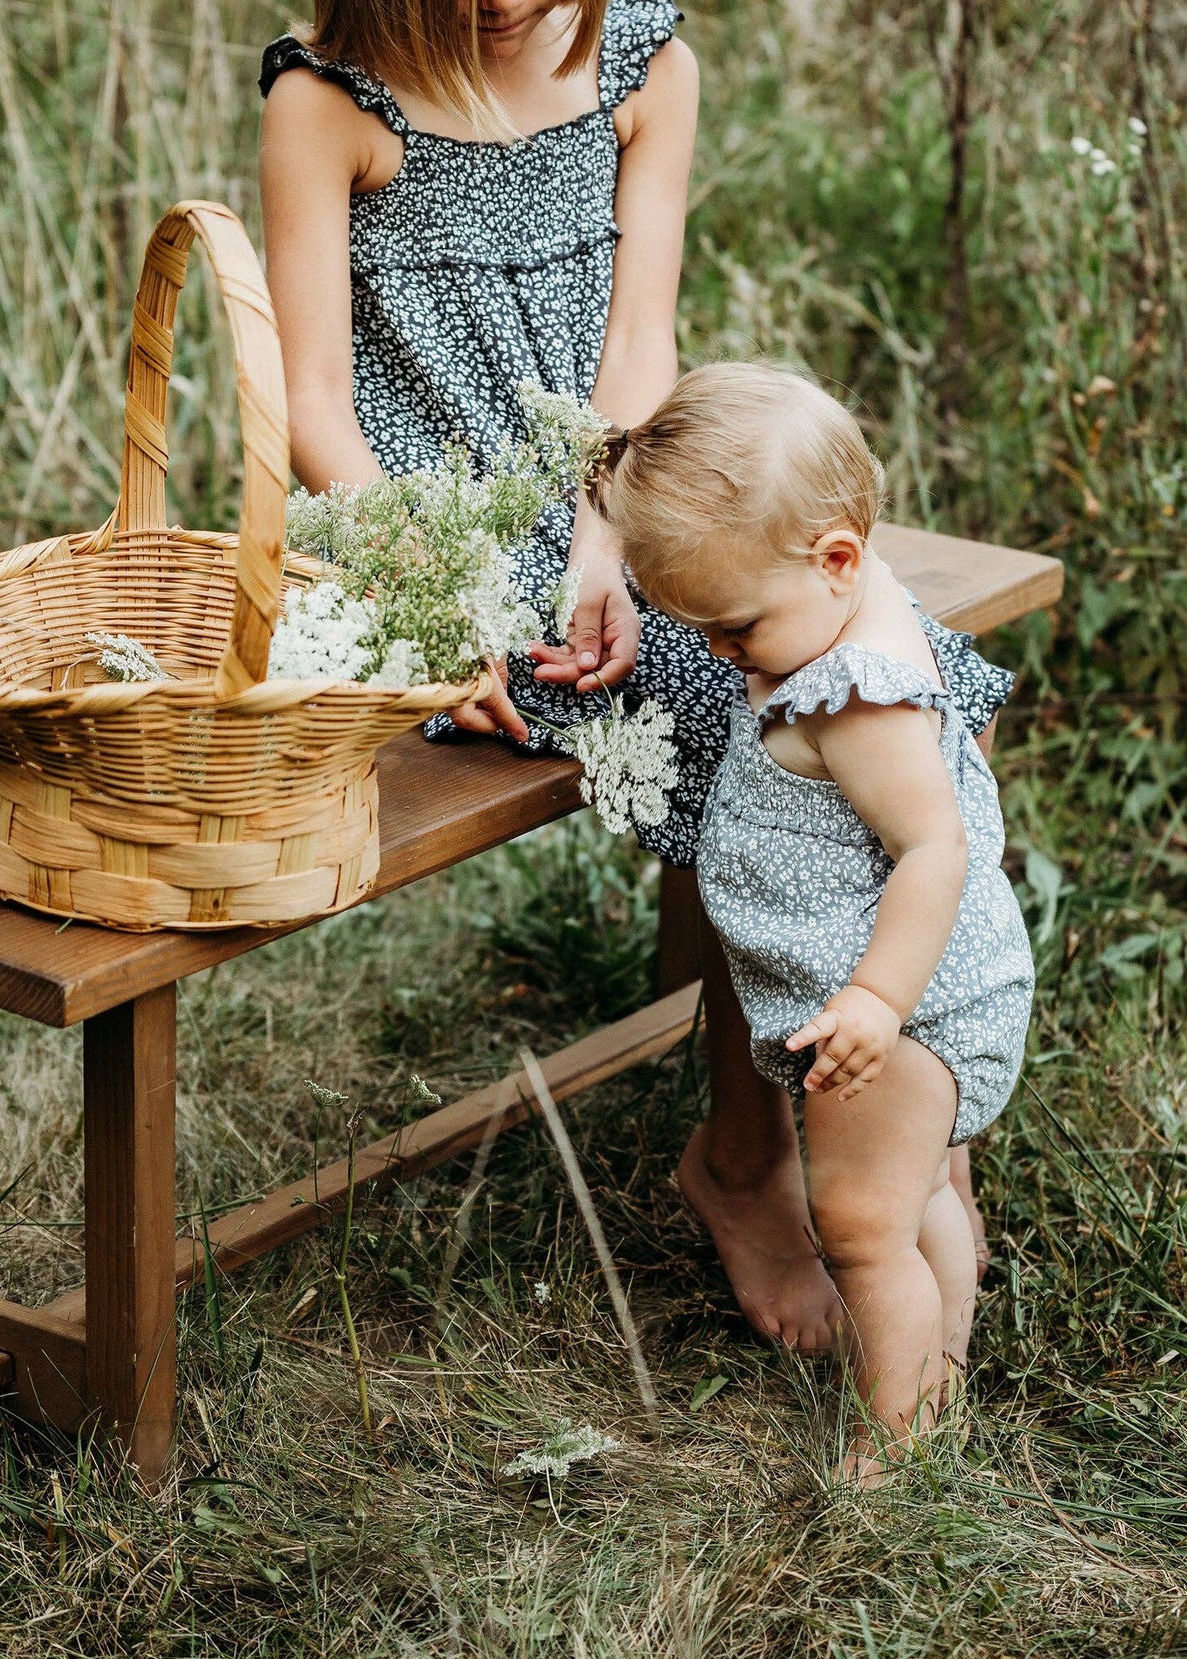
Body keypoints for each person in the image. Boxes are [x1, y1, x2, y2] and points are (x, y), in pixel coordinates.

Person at [258, 1, 1011, 1353]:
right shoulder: (330, 102)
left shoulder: (644, 70)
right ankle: (755, 1151)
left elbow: (634, 354)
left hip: (612, 499)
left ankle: (888, 1086)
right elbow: (314, 401)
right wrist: (447, 606)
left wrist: (607, 546)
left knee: (865, 695)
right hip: (421, 545)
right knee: (763, 731)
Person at [591, 360, 1033, 1478]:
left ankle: (890, 1450)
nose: (715, 655)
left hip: (894, 1008)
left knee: (856, 1229)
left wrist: (875, 1004)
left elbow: (932, 849)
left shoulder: (858, 695)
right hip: (935, 992)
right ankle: (938, 1375)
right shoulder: (838, 599)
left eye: (733, 628)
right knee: (914, 1195)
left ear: (834, 557)